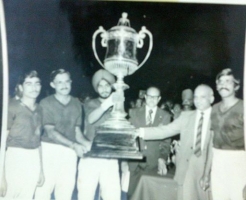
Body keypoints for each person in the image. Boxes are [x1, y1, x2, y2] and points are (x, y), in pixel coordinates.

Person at [138, 84, 214, 200]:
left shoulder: (218, 117)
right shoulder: (186, 116)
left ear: (211, 98)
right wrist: (140, 132)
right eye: (196, 97)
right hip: (187, 169)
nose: (198, 101)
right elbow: (165, 130)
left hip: (210, 170)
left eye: (202, 97)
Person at [35, 69, 90, 200]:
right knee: (43, 193)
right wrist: (74, 145)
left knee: (65, 193)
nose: (64, 85)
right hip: (49, 150)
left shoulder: (77, 104)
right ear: (53, 85)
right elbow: (50, 132)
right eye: (59, 82)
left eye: (66, 81)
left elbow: (77, 132)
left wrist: (90, 145)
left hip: (69, 154)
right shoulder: (45, 102)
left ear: (71, 82)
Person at [201, 68, 245, 200]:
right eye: (220, 82)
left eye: (228, 81)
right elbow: (212, 141)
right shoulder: (214, 108)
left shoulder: (243, 107)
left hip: (239, 161)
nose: (223, 85)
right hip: (218, 161)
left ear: (236, 85)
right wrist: (206, 172)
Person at [77, 69, 121, 200]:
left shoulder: (118, 105)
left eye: (107, 85)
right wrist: (109, 102)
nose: (104, 89)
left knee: (112, 195)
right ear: (96, 88)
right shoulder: (90, 103)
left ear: (112, 87)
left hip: (110, 156)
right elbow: (91, 118)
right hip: (91, 155)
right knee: (86, 195)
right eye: (100, 86)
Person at [0, 70, 44, 199]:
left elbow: (38, 140)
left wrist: (40, 169)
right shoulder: (11, 107)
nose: (34, 87)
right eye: (29, 84)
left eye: (37, 83)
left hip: (33, 159)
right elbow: (2, 142)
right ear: (20, 87)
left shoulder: (39, 109)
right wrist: (1, 175)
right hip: (13, 157)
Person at [127, 86, 171, 199]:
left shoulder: (166, 116)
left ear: (159, 98)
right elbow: (128, 137)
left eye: (155, 97)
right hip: (134, 165)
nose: (152, 99)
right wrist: (123, 161)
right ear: (145, 97)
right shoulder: (133, 112)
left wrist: (162, 158)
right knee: (132, 196)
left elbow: (166, 142)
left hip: (153, 164)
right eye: (149, 96)